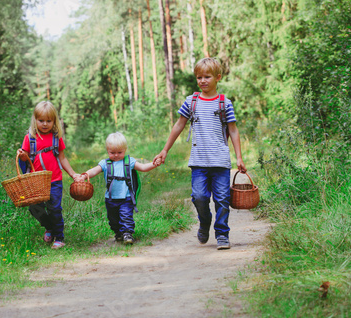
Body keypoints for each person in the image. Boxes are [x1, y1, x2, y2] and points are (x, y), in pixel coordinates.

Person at [153, 57, 246, 250]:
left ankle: (222, 234)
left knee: (222, 199)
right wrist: (165, 150)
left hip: (220, 161)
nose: (202, 81)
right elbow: (179, 125)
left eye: (207, 77)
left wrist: (239, 157)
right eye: (199, 77)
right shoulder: (192, 101)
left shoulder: (224, 103)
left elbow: (234, 130)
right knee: (199, 197)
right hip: (198, 161)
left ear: (218, 77)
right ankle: (205, 222)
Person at [17, 101, 80, 249]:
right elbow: (25, 157)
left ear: (54, 121)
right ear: (35, 120)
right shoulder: (30, 138)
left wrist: (72, 174)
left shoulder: (56, 138)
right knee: (34, 208)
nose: (45, 124)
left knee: (54, 208)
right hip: (35, 180)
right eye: (41, 120)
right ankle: (49, 227)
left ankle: (59, 237)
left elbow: (62, 158)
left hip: (54, 180)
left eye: (49, 121)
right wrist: (22, 155)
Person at [79, 132, 161, 244]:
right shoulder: (105, 163)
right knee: (113, 220)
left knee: (126, 216)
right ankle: (118, 232)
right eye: (112, 153)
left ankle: (127, 233)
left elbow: (143, 167)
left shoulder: (129, 161)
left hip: (126, 197)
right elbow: (94, 170)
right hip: (110, 198)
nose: (116, 155)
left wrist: (154, 164)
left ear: (125, 150)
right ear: (107, 150)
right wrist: (84, 175)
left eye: (119, 152)